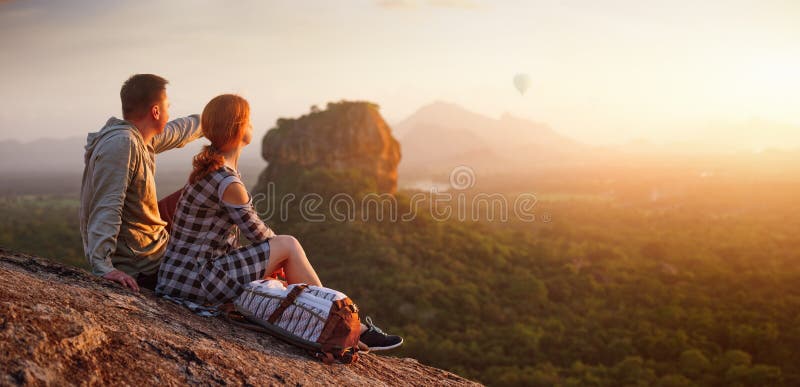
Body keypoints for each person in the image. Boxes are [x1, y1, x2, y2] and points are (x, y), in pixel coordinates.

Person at [156, 94, 402, 351]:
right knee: (289, 245)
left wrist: (272, 263)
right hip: (197, 280)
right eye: (249, 121)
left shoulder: (209, 170)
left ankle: (339, 322)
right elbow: (263, 237)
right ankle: (337, 318)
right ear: (239, 128)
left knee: (279, 263)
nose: (252, 125)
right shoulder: (227, 182)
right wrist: (279, 260)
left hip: (179, 277)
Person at [79, 74, 203, 291]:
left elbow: (179, 131)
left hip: (149, 240)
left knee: (201, 189)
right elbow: (107, 206)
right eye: (167, 107)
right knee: (217, 194)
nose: (169, 112)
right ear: (156, 111)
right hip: (143, 265)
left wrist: (213, 119)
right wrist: (103, 266)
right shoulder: (122, 144)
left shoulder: (138, 138)